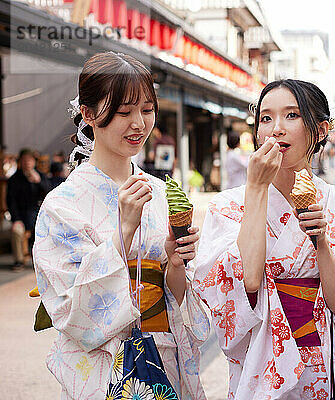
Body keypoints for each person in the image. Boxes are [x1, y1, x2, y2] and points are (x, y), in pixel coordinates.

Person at [32, 52, 209, 399]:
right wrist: (123, 230)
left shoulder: (158, 191)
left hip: (164, 354)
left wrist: (175, 264)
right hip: (105, 364)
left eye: (146, 109)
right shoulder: (62, 205)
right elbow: (72, 310)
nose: (139, 124)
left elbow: (177, 295)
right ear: (88, 114)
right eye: (124, 112)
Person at [192, 79, 335, 399]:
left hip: (325, 363)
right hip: (261, 362)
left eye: (291, 116)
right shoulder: (229, 205)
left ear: (321, 129)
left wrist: (321, 242)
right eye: (265, 118)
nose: (276, 128)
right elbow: (246, 281)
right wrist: (257, 189)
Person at [7, 149, 49, 270]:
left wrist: (39, 182)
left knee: (47, 229)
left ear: (34, 162)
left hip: (38, 214)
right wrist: (16, 219)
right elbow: (11, 201)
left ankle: (43, 261)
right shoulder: (14, 179)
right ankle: (19, 260)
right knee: (16, 231)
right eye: (24, 160)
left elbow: (49, 193)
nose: (27, 163)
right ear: (20, 162)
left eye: (30, 160)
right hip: (21, 215)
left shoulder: (41, 176)